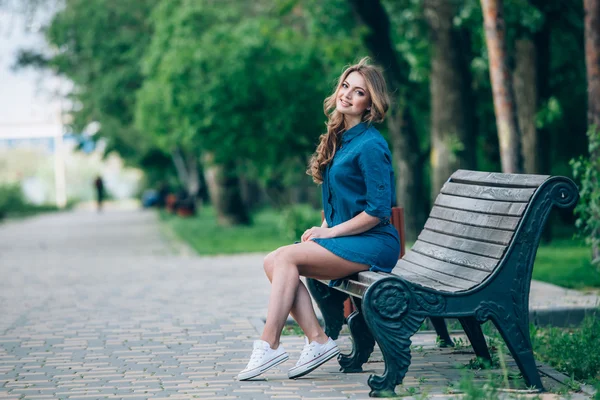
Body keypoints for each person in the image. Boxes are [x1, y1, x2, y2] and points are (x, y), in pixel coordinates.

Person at [237, 58, 400, 381]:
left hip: (374, 243)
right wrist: (324, 228)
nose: (347, 95)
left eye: (359, 93)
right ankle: (318, 340)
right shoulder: (341, 138)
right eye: (345, 87)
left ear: (371, 104)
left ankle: (269, 341)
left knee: (284, 258)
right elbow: (340, 201)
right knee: (274, 261)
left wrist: (331, 234)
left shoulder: (370, 145)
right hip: (348, 238)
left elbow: (378, 210)